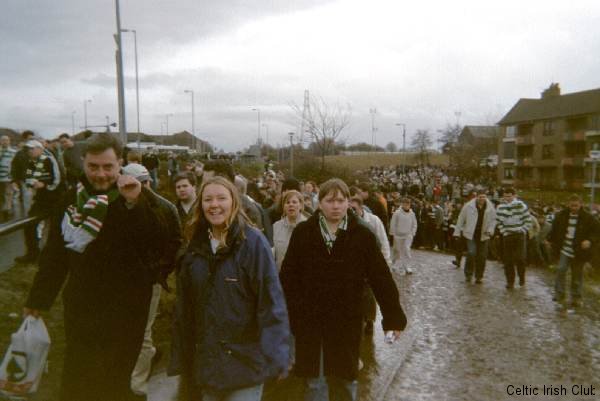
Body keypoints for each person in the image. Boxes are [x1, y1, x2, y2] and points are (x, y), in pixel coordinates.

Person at [24, 133, 181, 401]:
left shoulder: (137, 197)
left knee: (115, 378)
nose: (100, 174)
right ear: (83, 162)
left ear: (120, 163)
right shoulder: (72, 199)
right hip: (83, 303)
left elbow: (159, 242)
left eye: (108, 167)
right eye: (93, 166)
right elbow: (55, 255)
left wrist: (135, 204)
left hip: (127, 307)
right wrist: (38, 299)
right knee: (78, 373)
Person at [280, 178, 406, 401]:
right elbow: (289, 278)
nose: (336, 206)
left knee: (344, 381)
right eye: (330, 201)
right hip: (312, 320)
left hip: (346, 319)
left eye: (340, 200)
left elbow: (380, 277)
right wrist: (293, 312)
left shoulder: (362, 235)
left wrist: (393, 316)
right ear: (319, 203)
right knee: (315, 383)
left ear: (348, 202)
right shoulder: (304, 232)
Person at [168, 176, 290, 401]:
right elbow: (184, 310)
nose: (214, 205)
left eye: (221, 198)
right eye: (208, 199)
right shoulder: (195, 248)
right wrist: (181, 358)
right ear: (200, 205)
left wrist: (278, 354)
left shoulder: (253, 243)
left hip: (246, 364)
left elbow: (271, 301)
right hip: (208, 366)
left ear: (234, 202)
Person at [120, 163, 182, 400]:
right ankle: (145, 358)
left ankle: (137, 384)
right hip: (122, 279)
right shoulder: (116, 206)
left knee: (143, 329)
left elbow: (175, 242)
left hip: (149, 279)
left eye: (141, 184)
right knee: (127, 325)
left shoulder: (164, 208)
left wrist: (159, 271)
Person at [349, 195, 392, 336]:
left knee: (369, 294)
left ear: (361, 208)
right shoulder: (345, 223)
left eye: (354, 209)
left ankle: (369, 320)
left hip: (369, 264)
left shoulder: (372, 222)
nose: (351, 211)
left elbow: (382, 242)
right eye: (349, 208)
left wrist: (385, 263)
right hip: (353, 266)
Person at [546, 195, 600, 307]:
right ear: (568, 204)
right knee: (561, 269)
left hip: (579, 250)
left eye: (576, 206)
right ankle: (559, 293)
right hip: (565, 248)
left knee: (577, 274)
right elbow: (555, 228)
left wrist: (589, 240)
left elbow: (596, 231)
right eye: (571, 205)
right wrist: (549, 239)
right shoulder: (561, 215)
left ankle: (576, 297)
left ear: (581, 204)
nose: (574, 208)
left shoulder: (588, 217)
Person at [15, 139, 63, 264]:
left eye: (32, 149)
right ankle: (32, 254)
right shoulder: (31, 162)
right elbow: (28, 176)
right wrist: (31, 183)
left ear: (40, 149)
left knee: (56, 228)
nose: (29, 151)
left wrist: (45, 185)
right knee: (29, 225)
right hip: (41, 199)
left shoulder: (49, 159)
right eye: (27, 149)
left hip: (56, 198)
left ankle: (55, 256)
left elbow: (58, 179)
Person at [453, 190, 497, 284]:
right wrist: (457, 232)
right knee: (471, 252)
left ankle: (479, 276)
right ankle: (468, 274)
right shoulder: (468, 206)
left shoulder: (490, 207)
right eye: (480, 197)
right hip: (471, 234)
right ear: (476, 197)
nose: (482, 199)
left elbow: (493, 220)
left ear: (486, 197)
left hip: (484, 234)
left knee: (482, 256)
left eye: (484, 197)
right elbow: (461, 219)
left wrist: (490, 230)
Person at [496, 187, 532, 289]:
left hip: (519, 235)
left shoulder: (521, 206)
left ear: (514, 196)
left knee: (520, 258)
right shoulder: (500, 207)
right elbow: (498, 222)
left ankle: (521, 277)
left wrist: (523, 230)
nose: (507, 199)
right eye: (505, 196)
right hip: (508, 235)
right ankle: (510, 281)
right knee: (508, 260)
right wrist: (504, 232)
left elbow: (528, 220)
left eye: (509, 196)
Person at [273, 190, 307, 271]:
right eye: (287, 202)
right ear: (283, 207)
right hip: (281, 273)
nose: (291, 205)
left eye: (294, 202)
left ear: (301, 205)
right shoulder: (276, 226)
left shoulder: (309, 226)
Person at [389, 197, 418, 274]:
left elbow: (414, 224)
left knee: (406, 249)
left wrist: (412, 233)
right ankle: (393, 263)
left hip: (408, 235)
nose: (406, 206)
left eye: (408, 204)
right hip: (398, 235)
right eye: (405, 204)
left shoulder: (412, 214)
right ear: (402, 204)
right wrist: (393, 233)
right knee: (397, 250)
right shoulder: (397, 213)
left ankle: (407, 267)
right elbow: (393, 223)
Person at [0, 135, 16, 222]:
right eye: (3, 140)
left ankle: (7, 212)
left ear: (9, 141)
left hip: (8, 178)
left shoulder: (13, 152)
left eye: (6, 140)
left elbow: (15, 165)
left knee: (8, 195)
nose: (5, 142)